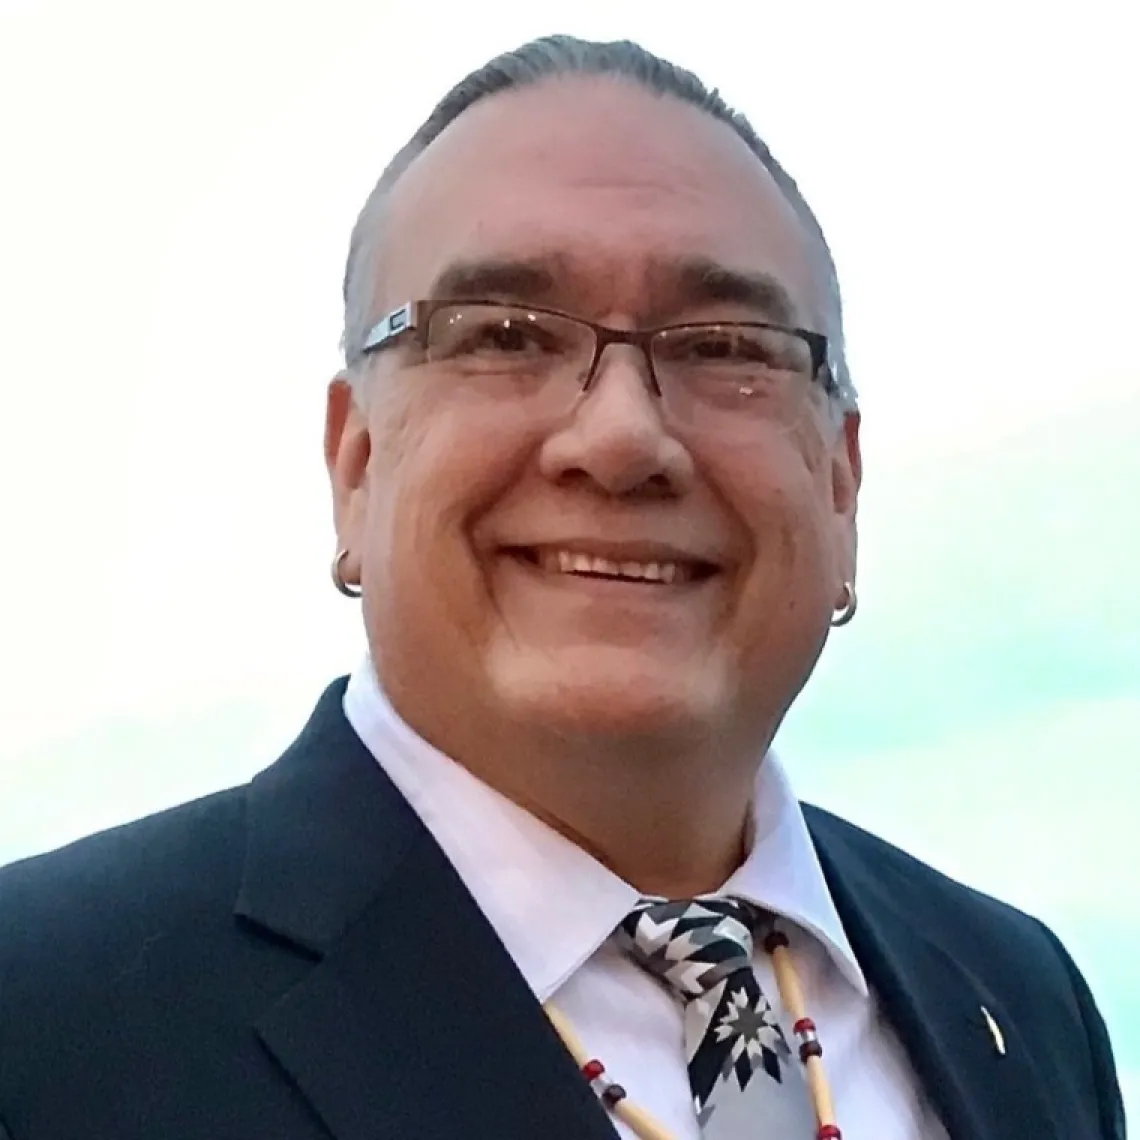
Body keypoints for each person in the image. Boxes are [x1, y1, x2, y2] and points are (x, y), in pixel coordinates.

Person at [0, 34, 1125, 1140]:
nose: (624, 435)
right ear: (356, 466)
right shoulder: (43, 1014)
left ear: (841, 485)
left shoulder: (1019, 999)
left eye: (724, 345)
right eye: (503, 335)